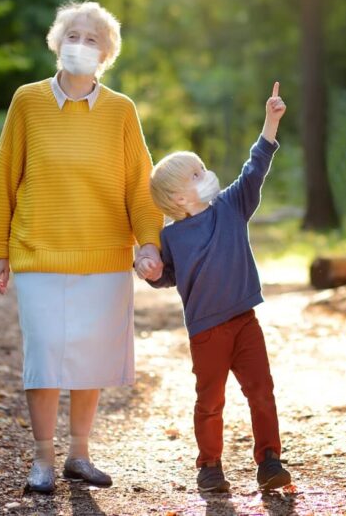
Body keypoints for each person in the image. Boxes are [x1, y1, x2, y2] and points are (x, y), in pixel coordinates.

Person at [0, 0, 164, 493]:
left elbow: (139, 185)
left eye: (92, 40)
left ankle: (79, 454)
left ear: (106, 55)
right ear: (56, 41)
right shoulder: (28, 101)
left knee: (89, 357)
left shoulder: (121, 111)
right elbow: (3, 178)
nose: (80, 45)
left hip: (105, 257)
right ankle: (42, 459)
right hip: (39, 253)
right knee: (43, 357)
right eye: (73, 35)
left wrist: (149, 243)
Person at [141, 82, 293, 493]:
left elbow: (254, 169)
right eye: (196, 174)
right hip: (206, 331)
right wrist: (154, 272)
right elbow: (170, 274)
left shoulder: (231, 205)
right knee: (210, 402)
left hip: (245, 321)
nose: (206, 175)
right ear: (177, 197)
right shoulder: (172, 236)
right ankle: (209, 466)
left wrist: (270, 123)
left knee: (262, 392)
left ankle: (270, 460)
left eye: (203, 168)